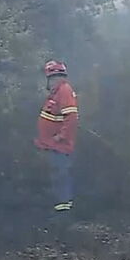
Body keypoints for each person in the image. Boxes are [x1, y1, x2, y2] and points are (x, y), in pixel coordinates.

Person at [35, 60, 79, 212]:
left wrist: (61, 136)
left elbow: (72, 117)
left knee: (60, 172)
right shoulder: (56, 93)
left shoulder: (64, 91)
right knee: (55, 173)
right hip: (50, 144)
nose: (50, 82)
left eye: (51, 78)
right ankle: (57, 203)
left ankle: (63, 206)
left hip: (59, 145)